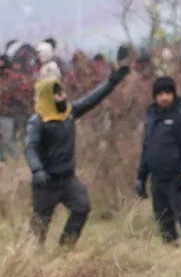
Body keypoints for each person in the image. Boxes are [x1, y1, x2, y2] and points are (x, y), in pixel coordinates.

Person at [25, 62, 131, 247]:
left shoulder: (69, 112)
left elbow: (92, 99)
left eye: (62, 92)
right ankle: (31, 259)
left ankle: (65, 247)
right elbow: (30, 148)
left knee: (82, 206)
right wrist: (37, 170)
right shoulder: (38, 121)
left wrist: (112, 82)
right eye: (57, 94)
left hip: (67, 179)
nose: (62, 96)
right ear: (48, 97)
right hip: (46, 182)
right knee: (40, 225)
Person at [135, 76, 181, 248]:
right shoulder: (151, 116)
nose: (164, 97)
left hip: (177, 177)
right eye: (160, 94)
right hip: (158, 178)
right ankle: (171, 255)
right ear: (155, 96)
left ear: (173, 93)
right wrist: (141, 177)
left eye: (167, 93)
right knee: (163, 219)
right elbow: (147, 147)